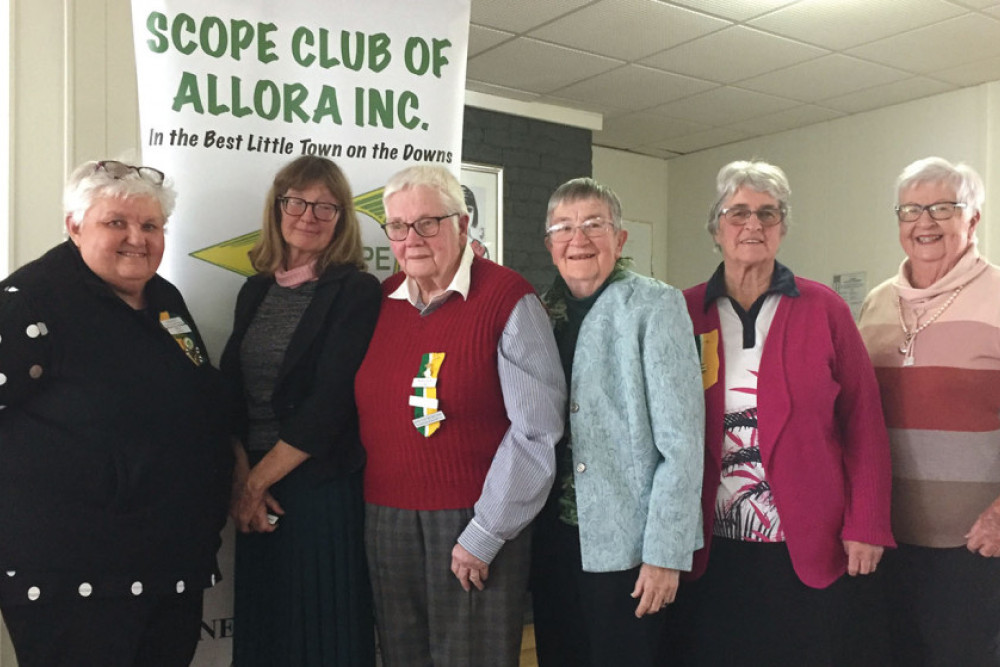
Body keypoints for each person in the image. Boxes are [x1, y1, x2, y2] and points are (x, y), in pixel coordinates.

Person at [0, 159, 231, 666]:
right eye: (116, 223)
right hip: (70, 583)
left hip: (169, 569)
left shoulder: (164, 300)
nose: (137, 238)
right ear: (74, 226)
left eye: (150, 226)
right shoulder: (30, 301)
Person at [676, 159, 894, 665]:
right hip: (709, 542)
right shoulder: (684, 312)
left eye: (767, 214)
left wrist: (866, 523)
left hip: (808, 539)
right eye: (738, 213)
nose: (753, 224)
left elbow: (864, 423)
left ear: (782, 227)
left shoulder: (824, 309)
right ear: (716, 228)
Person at [354, 165, 565, 667]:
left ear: (464, 225)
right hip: (388, 521)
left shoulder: (508, 299)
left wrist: (485, 532)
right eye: (399, 226)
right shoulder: (380, 303)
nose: (412, 238)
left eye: (429, 222)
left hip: (474, 520)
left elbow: (536, 430)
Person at [530, 178, 704, 667]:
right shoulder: (539, 312)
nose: (578, 239)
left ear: (620, 238)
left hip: (627, 546)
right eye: (563, 227)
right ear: (549, 245)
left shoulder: (656, 306)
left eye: (593, 225)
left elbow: (683, 444)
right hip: (553, 539)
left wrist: (665, 554)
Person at [221, 155, 380, 666]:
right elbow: (231, 391)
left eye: (325, 206)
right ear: (278, 207)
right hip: (258, 484)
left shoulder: (355, 290)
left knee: (321, 635)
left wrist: (251, 487)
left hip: (318, 487)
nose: (308, 215)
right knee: (266, 630)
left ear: (341, 218)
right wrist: (245, 476)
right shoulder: (255, 290)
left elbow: (331, 401)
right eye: (297, 201)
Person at [858, 157, 1000, 665]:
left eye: (943, 208)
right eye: (911, 210)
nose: (925, 222)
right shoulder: (876, 304)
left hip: (976, 548)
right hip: (885, 540)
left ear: (974, 219)